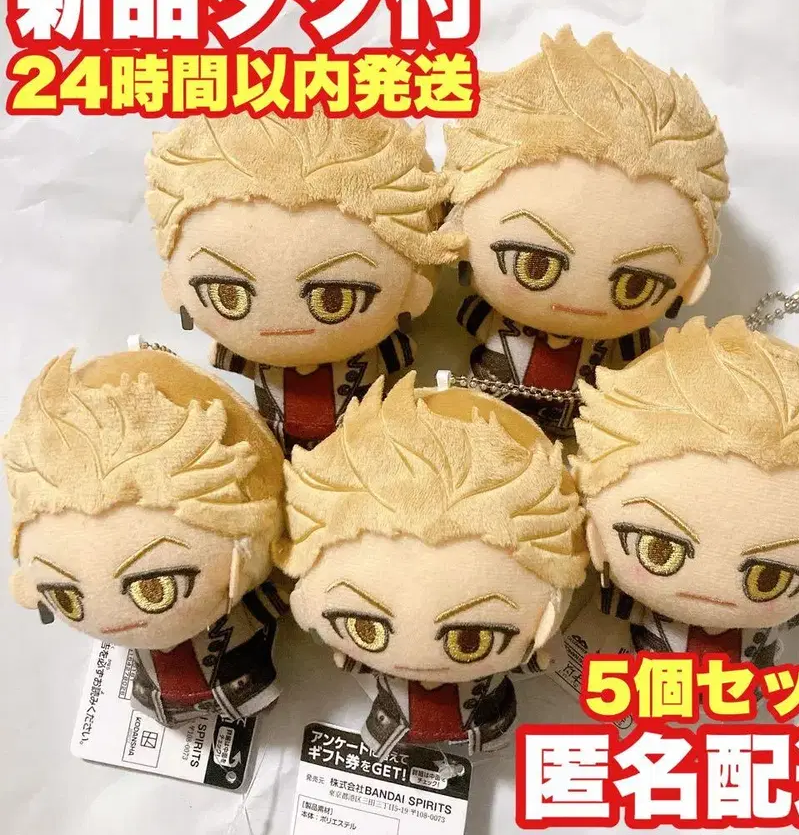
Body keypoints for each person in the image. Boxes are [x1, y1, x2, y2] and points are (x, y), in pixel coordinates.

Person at [277, 373, 588, 756]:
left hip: (481, 720)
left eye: (471, 640)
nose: (417, 657)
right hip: (393, 722)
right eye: (365, 628)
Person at [444, 27, 729, 437]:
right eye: (534, 264)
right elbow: (460, 319)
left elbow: (642, 370)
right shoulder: (487, 318)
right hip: (487, 417)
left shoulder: (625, 344)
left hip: (579, 429)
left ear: (691, 281)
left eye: (635, 285)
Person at [573, 316, 799, 667]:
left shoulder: (780, 620)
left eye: (769, 579)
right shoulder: (625, 603)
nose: (710, 591)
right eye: (660, 551)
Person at [145, 110, 459, 455]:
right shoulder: (245, 358)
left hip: (362, 452)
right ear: (175, 290)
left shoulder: (383, 354)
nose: (281, 323)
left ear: (414, 293)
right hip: (274, 444)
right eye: (229, 295)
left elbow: (405, 358)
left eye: (334, 298)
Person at [4, 348, 286, 725]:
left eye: (155, 589)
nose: (110, 621)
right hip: (154, 695)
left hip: (238, 685)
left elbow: (276, 600)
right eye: (65, 598)